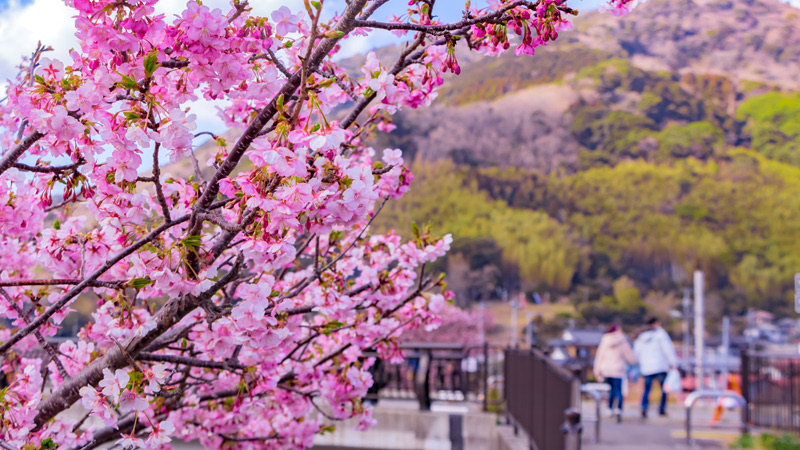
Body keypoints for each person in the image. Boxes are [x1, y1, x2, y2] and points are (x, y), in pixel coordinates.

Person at [634, 317, 678, 418]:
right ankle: (661, 408)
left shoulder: (641, 336)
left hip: (646, 367)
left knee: (646, 389)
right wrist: (673, 363)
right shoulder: (661, 334)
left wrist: (640, 364)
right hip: (660, 366)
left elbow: (636, 352)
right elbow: (668, 349)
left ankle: (644, 407)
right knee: (664, 389)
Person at [593, 324, 637, 422]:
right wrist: (635, 361)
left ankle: (609, 408)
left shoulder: (605, 340)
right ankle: (618, 409)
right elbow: (630, 357)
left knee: (610, 390)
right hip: (618, 370)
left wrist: (597, 370)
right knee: (618, 390)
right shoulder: (622, 341)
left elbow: (599, 356)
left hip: (606, 370)